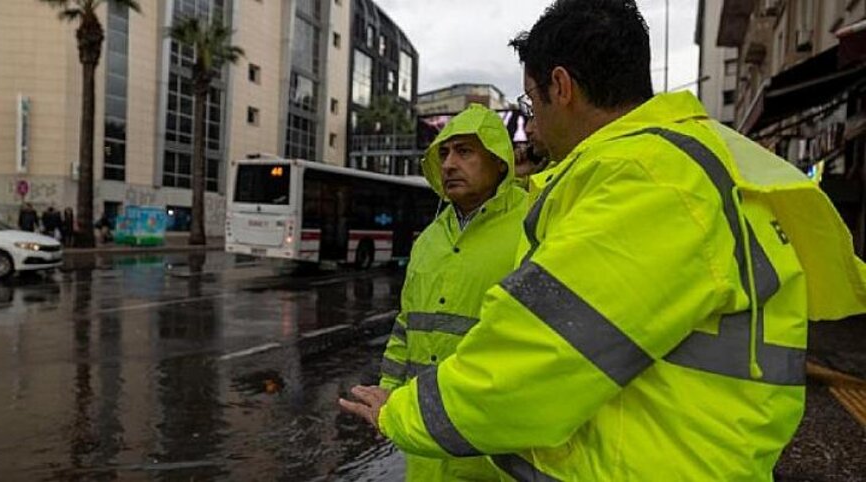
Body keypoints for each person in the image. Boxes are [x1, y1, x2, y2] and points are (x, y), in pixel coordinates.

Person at [339, 1, 866, 480]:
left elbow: (533, 363)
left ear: (561, 88)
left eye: (532, 98)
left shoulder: (648, 183)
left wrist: (402, 413)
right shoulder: (690, 167)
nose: (534, 122)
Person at [377, 104, 529, 481]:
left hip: (495, 442)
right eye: (443, 153)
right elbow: (406, 325)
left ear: (499, 162)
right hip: (425, 442)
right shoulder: (429, 239)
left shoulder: (534, 224)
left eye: (464, 151)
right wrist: (388, 395)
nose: (448, 164)